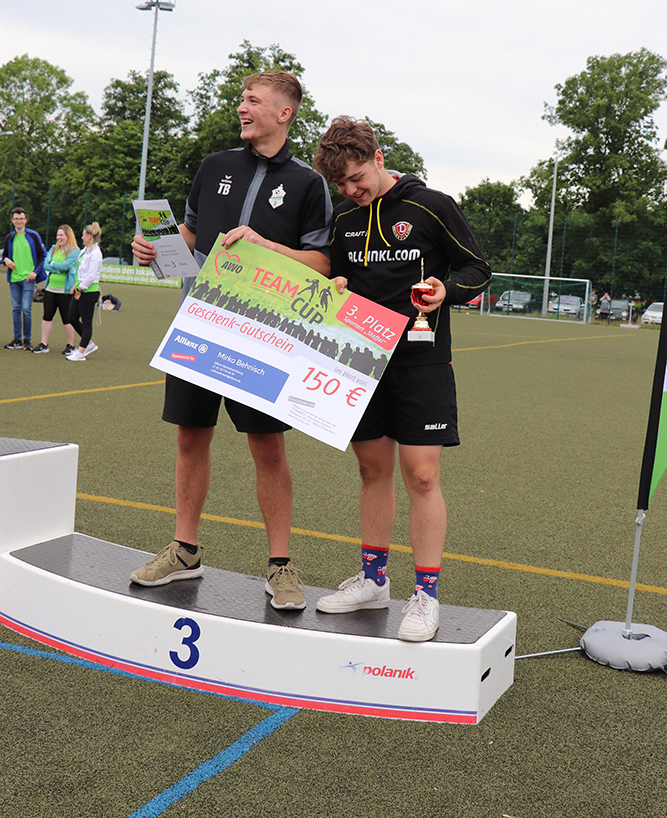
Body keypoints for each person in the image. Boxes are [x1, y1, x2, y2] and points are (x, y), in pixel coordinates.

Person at [129, 70, 332, 610]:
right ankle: (185, 550)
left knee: (268, 448)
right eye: (242, 99)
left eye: (253, 100)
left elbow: (321, 261)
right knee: (190, 437)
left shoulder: (309, 183)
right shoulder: (214, 166)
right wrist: (153, 248)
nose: (242, 107)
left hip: (261, 337)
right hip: (197, 325)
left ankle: (281, 566)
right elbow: (190, 234)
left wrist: (268, 247)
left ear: (284, 113)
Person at [312, 116, 491, 641]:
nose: (350, 190)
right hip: (360, 360)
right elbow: (338, 274)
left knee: (422, 476)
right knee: (372, 470)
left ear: (378, 158)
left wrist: (445, 290)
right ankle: (373, 581)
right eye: (341, 184)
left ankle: (426, 595)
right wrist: (338, 283)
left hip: (421, 361)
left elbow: (478, 269)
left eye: (356, 177)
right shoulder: (345, 217)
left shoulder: (431, 206)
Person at [31, 225, 80, 355]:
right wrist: (57, 268)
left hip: (65, 291)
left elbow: (65, 266)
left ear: (68, 236)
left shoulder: (74, 251)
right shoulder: (53, 249)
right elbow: (45, 264)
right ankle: (44, 344)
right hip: (50, 289)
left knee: (67, 319)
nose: (58, 237)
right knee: (47, 316)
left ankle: (70, 345)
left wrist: (53, 264)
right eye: (58, 235)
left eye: (61, 235)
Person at [3, 207, 46, 350]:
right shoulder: (9, 238)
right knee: (16, 308)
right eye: (16, 219)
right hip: (14, 279)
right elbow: (4, 255)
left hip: (28, 278)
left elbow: (43, 255)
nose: (19, 221)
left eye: (21, 218)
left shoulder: (33, 236)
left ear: (25, 220)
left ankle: (27, 340)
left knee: (26, 308)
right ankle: (17, 340)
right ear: (12, 220)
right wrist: (6, 260)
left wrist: (35, 272)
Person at [66, 222, 103, 361]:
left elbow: (91, 276)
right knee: (71, 318)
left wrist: (79, 289)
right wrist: (75, 285)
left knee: (86, 322)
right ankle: (89, 344)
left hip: (89, 292)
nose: (81, 237)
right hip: (80, 289)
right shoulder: (85, 251)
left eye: (83, 235)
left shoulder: (96, 254)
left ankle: (81, 352)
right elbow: (80, 271)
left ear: (89, 236)